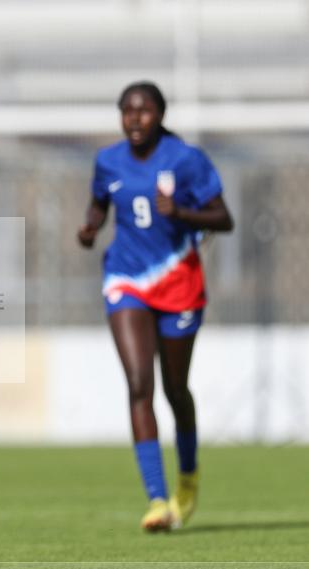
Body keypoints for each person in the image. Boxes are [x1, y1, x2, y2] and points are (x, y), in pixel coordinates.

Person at [78, 82, 234, 532]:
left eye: (144, 111)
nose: (135, 119)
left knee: (175, 389)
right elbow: (98, 205)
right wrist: (90, 228)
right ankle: (157, 500)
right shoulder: (108, 160)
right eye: (127, 111)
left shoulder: (186, 159)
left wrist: (181, 213)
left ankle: (188, 477)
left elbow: (223, 218)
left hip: (178, 283)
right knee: (138, 383)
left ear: (160, 115)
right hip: (126, 279)